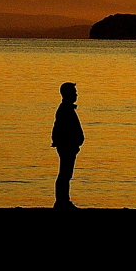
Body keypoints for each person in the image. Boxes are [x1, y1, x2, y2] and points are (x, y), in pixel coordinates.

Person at [51, 82, 84, 210]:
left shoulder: (66, 108)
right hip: (67, 146)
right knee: (65, 174)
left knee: (66, 174)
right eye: (74, 92)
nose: (76, 95)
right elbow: (62, 129)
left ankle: (63, 201)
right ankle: (62, 201)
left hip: (69, 146)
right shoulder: (65, 109)